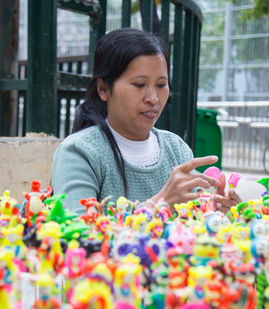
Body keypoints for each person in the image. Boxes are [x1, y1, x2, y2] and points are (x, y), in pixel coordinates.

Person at [51, 28, 221, 215]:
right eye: (139, 84)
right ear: (103, 89)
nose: (153, 98)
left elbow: (193, 225)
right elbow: (76, 231)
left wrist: (218, 211)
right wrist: (158, 206)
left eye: (161, 85)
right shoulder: (79, 152)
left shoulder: (177, 149)